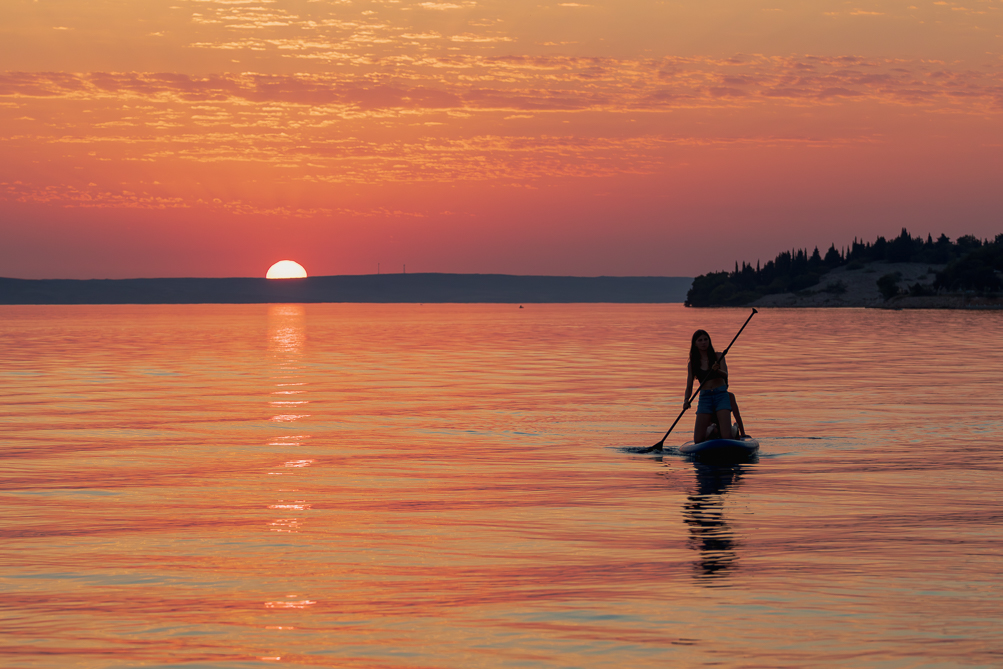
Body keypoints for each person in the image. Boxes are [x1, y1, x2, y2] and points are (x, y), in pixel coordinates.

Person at [683, 329, 745, 443]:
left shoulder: (718, 356)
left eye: (706, 339)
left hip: (721, 395)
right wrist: (686, 400)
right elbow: (689, 386)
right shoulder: (692, 363)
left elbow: (726, 375)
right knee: (698, 440)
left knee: (727, 437)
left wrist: (718, 371)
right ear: (695, 343)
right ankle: (714, 430)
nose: (703, 342)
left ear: (709, 341)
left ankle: (735, 429)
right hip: (705, 397)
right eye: (700, 340)